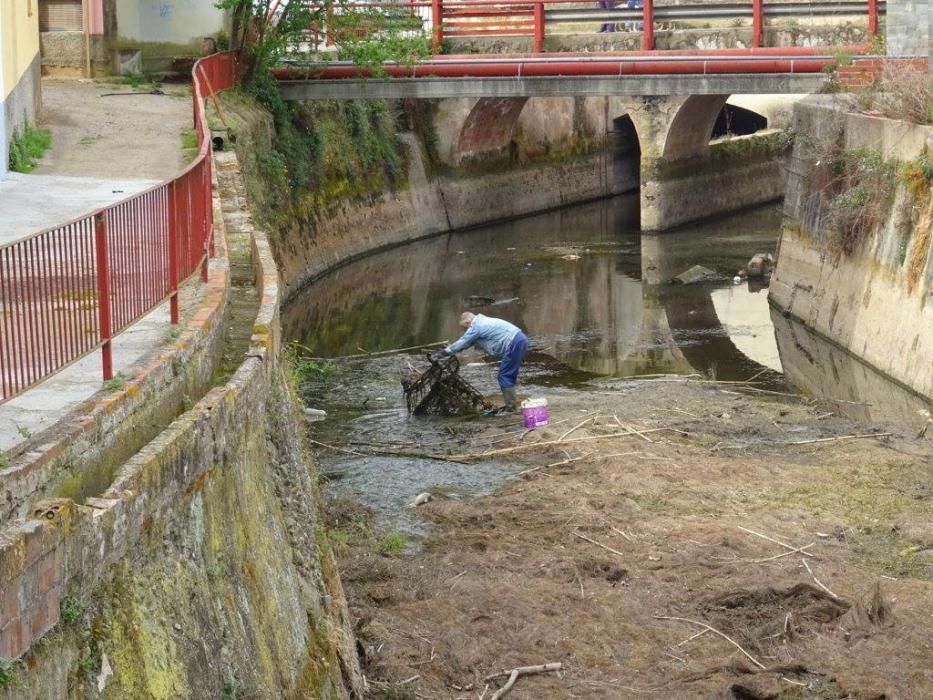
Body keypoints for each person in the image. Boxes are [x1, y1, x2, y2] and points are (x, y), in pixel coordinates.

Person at [432, 312, 529, 412]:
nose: (466, 330)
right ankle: (512, 405)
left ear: (467, 322)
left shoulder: (476, 326)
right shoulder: (482, 322)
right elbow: (466, 344)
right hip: (519, 340)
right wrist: (450, 348)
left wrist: (442, 353)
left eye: (465, 327)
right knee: (508, 375)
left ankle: (511, 408)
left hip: (514, 342)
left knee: (504, 376)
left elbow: (463, 341)